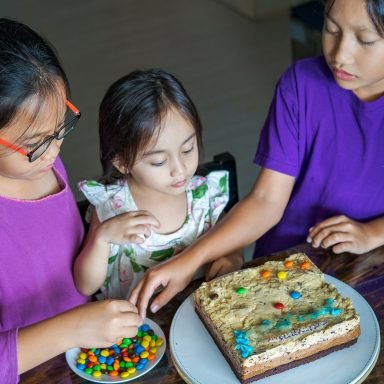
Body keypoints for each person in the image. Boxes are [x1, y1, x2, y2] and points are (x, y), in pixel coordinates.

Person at [130, 0, 384, 319]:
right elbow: (266, 200)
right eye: (331, 29)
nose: (340, 54)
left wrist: (372, 233)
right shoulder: (301, 84)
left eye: (364, 40)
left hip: (366, 273)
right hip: (279, 268)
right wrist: (189, 260)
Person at [0, 18, 141, 383]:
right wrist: (73, 328)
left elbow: (71, 270)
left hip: (82, 352)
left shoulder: (39, 161)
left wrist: (100, 239)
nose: (54, 150)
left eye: (60, 126)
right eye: (35, 144)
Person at [73, 69, 243, 300]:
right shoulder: (113, 207)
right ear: (122, 162)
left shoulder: (204, 194)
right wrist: (101, 239)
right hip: (141, 329)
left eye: (187, 149)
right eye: (159, 161)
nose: (179, 168)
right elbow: (86, 286)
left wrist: (233, 256)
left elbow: (233, 237)